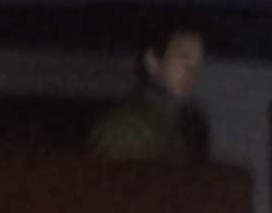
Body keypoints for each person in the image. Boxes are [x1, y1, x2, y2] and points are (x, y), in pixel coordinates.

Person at [87, 16, 210, 159]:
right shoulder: (125, 127)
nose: (191, 72)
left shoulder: (188, 128)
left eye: (197, 64)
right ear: (152, 62)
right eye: (183, 58)